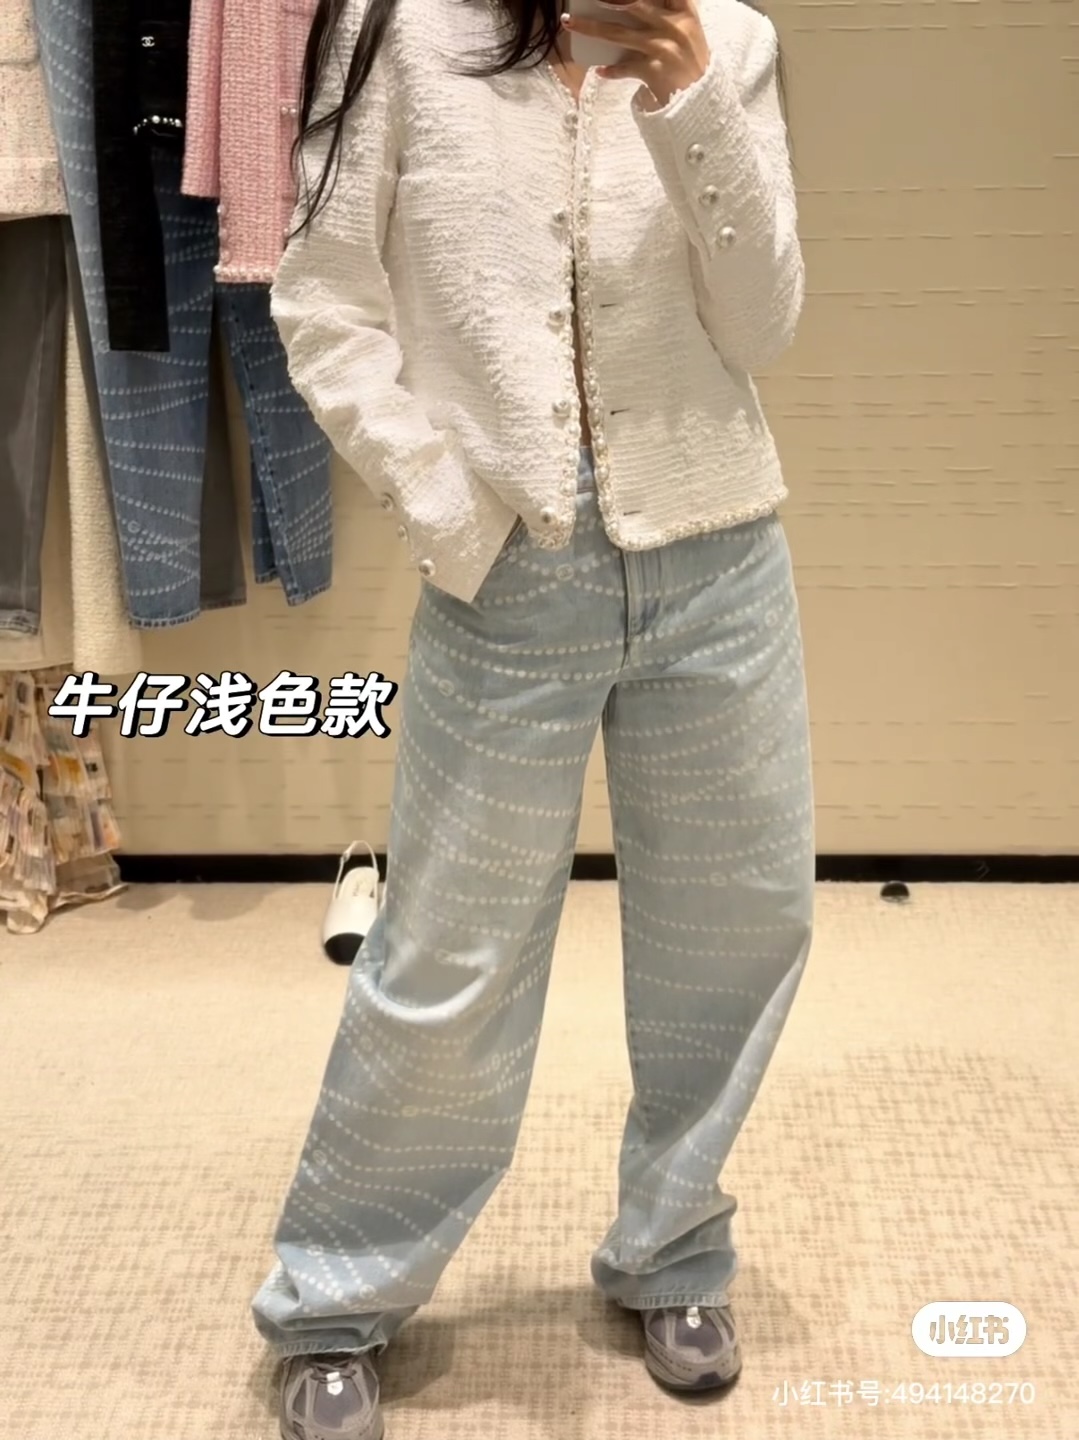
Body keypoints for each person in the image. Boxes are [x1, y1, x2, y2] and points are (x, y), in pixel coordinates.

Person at [251, 0, 814, 1434]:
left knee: (736, 932)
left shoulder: (731, 40)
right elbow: (323, 299)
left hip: (719, 556)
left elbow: (763, 324)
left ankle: (674, 1245)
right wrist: (450, 510)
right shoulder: (404, 33)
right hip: (508, 577)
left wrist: (689, 101)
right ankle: (334, 1296)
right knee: (448, 957)